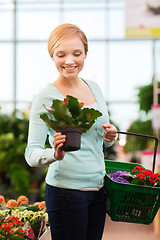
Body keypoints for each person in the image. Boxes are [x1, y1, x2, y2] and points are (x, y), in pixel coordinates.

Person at [25, 23, 117, 240]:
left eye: (77, 53)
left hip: (97, 189)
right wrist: (53, 154)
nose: (69, 60)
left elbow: (101, 141)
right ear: (52, 56)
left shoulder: (95, 88)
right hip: (66, 191)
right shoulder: (46, 97)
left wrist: (109, 137)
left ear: (85, 54)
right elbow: (31, 153)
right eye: (61, 54)